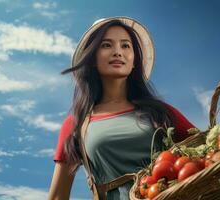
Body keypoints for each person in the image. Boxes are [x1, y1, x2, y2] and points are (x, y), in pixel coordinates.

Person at [47, 16, 195, 200]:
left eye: (125, 46)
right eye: (106, 45)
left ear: (134, 61)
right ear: (92, 58)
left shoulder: (162, 113)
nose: (118, 52)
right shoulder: (77, 124)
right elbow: (57, 196)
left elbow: (209, 154)